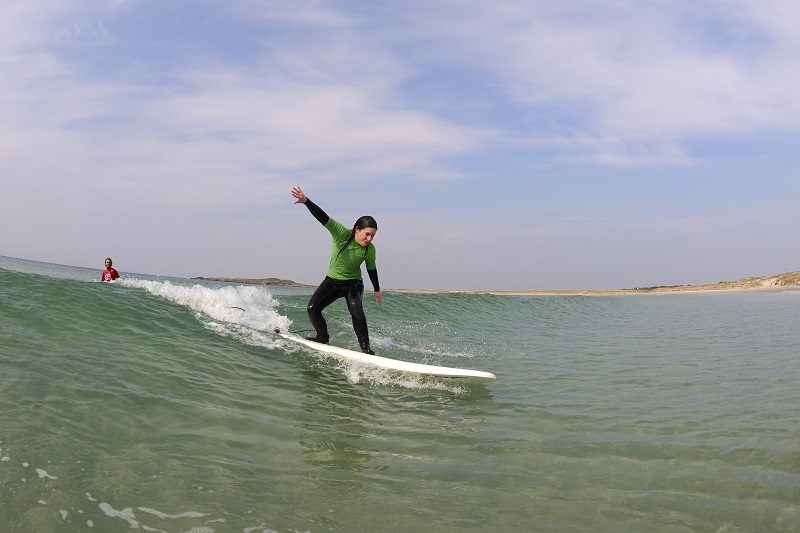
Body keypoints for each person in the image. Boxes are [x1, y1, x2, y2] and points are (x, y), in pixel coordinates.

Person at [292, 186, 382, 354]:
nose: (369, 239)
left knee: (356, 309)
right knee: (312, 309)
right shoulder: (341, 234)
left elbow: (371, 269)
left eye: (373, 236)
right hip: (332, 282)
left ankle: (366, 349)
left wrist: (377, 290)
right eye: (367, 234)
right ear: (357, 229)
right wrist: (306, 202)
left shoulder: (370, 249)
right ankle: (322, 338)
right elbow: (323, 218)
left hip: (353, 284)